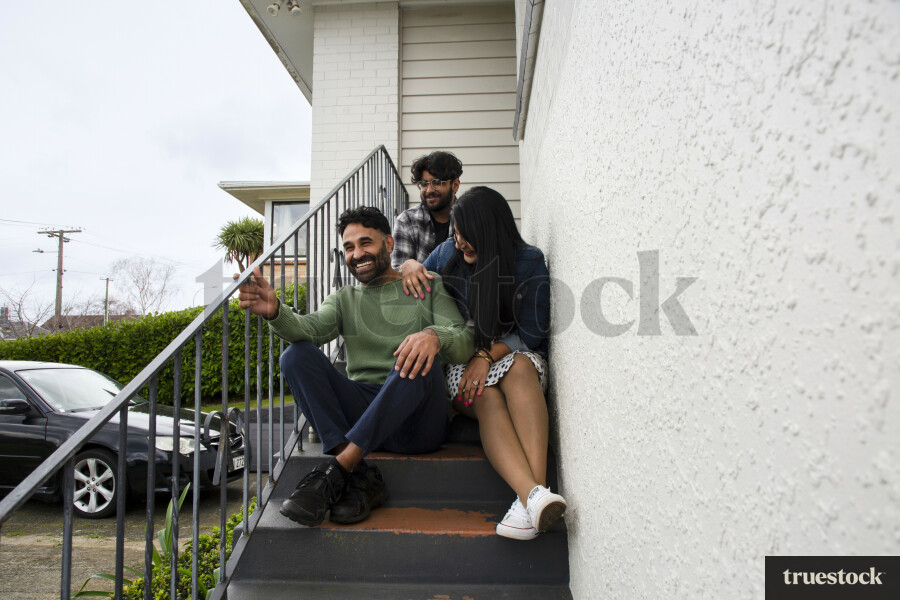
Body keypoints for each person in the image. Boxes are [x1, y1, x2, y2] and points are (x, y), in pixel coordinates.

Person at [238, 206, 474, 527]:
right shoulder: (344, 299)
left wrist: (434, 335)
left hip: (418, 422)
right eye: (349, 247)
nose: (357, 254)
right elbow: (310, 330)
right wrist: (275, 310)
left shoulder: (426, 284)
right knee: (295, 356)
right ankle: (358, 473)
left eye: (366, 243)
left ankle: (339, 467)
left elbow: (464, 340)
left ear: (389, 244)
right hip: (363, 415)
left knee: (417, 353)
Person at [401, 186, 565, 541]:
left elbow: (533, 331)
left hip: (509, 354)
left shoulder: (528, 261)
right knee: (486, 394)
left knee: (520, 367)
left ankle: (529, 500)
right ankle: (536, 496)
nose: (459, 242)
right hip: (461, 360)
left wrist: (487, 355)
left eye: (466, 235)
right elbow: (411, 281)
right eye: (456, 234)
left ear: (489, 230)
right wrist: (409, 264)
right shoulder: (446, 255)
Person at [391, 151, 463, 275]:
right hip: (420, 292)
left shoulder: (466, 218)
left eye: (436, 183)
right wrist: (406, 267)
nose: (429, 190)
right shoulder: (407, 221)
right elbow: (398, 275)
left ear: (455, 185)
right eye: (424, 184)